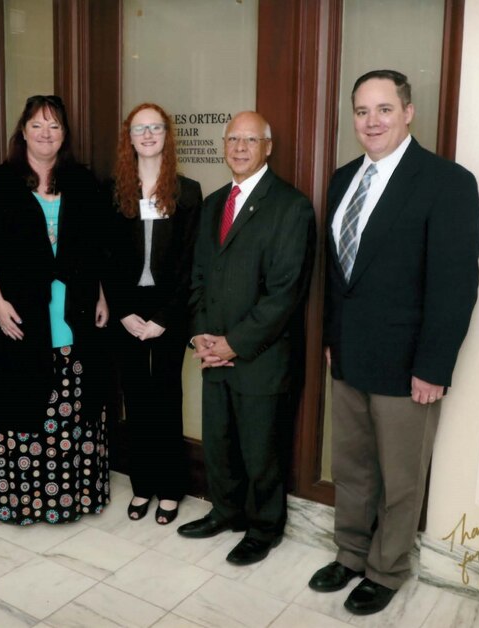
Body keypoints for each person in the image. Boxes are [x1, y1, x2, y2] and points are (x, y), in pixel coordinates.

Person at [309, 70, 479, 615]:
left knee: (401, 480)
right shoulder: (341, 179)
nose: (372, 121)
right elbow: (339, 277)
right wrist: (332, 340)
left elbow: (455, 285)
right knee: (353, 468)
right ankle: (351, 553)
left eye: (384, 109)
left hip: (409, 366)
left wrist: (433, 367)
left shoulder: (446, 181)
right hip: (350, 357)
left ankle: (386, 570)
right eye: (362, 111)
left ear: (408, 113)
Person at [0, 95, 110, 525]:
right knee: (26, 406)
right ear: (22, 131)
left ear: (65, 135)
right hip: (21, 314)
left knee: (75, 406)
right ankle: (25, 502)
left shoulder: (81, 181)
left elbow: (98, 249)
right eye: (37, 125)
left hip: (77, 311)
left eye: (55, 127)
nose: (46, 134)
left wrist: (101, 295)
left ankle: (77, 498)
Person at [177, 111, 316, 565]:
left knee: (261, 451)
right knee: (219, 441)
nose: (239, 147)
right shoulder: (214, 201)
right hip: (212, 352)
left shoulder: (290, 206)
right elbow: (196, 274)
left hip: (260, 356)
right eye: (232, 138)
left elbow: (285, 294)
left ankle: (263, 528)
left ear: (267, 147)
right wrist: (200, 336)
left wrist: (233, 343)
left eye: (250, 139)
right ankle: (225, 511)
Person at [108, 103, 202, 525]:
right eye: (139, 128)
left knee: (166, 396)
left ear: (167, 134)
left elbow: (188, 262)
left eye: (156, 127)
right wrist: (124, 311)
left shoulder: (188, 191)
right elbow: (104, 255)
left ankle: (170, 487)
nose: (148, 135)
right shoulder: (112, 191)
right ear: (128, 137)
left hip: (169, 309)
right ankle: (142, 484)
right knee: (136, 398)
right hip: (127, 309)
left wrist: (165, 316)